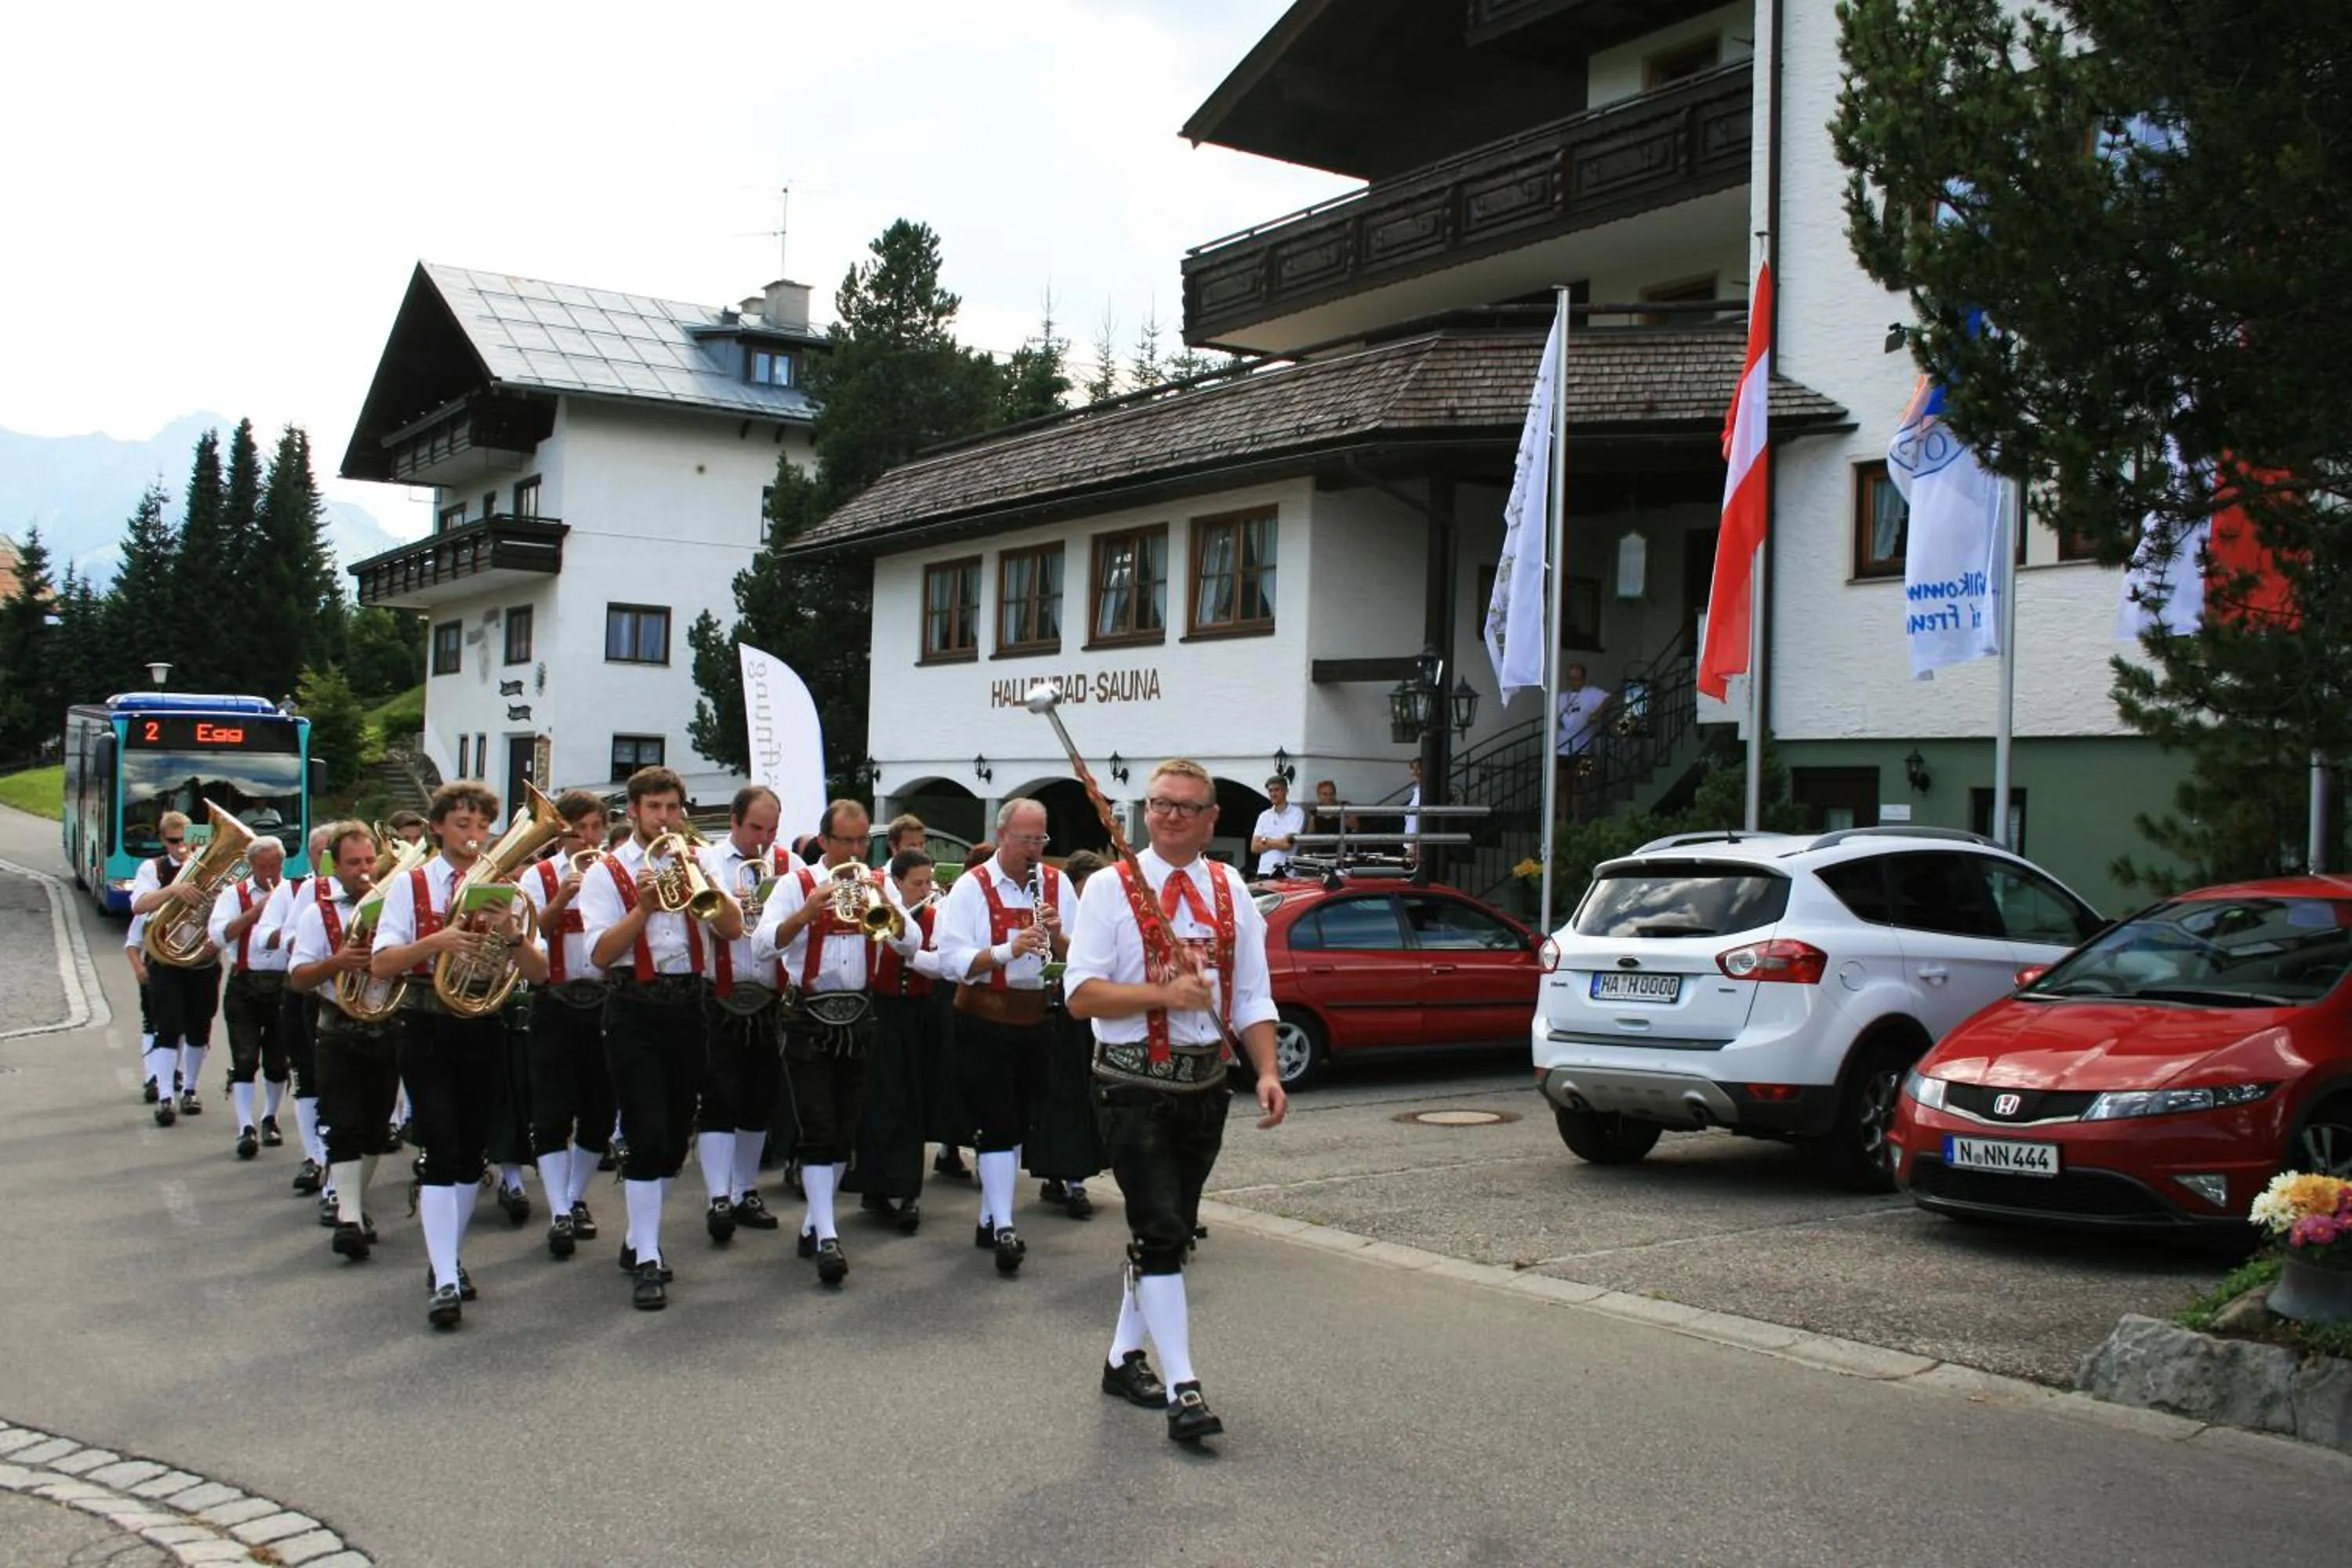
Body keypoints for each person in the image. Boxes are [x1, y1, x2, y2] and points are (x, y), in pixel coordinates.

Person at [1065, 758, 1286, 1445]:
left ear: (1211, 820)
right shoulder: (1108, 888)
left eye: (1187, 807)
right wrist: (1164, 994)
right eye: (1161, 804)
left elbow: (1251, 994)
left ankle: (1121, 1357)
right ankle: (1185, 1386)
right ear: (1145, 812)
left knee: (1172, 1231)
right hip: (1131, 1083)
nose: (1171, 816)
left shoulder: (1231, 891)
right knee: (1161, 1228)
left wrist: (1269, 1071)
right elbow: (1080, 996)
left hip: (1204, 1084)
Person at [368, 781, 551, 1330]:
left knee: (472, 1150)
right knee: (443, 1146)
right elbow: (381, 964)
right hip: (426, 1024)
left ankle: (446, 1257)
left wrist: (514, 938)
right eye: (464, 825)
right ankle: (446, 1275)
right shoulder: (412, 885)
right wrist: (437, 943)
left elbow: (541, 975)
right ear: (439, 828)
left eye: (482, 827)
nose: (475, 837)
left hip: (482, 1024)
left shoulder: (507, 891)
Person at [577, 767, 744, 1311]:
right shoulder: (607, 871)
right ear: (634, 813)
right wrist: (644, 909)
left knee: (675, 1137)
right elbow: (600, 954)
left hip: (689, 1006)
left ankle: (636, 1238)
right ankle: (648, 1254)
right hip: (633, 1006)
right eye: (654, 809)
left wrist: (705, 886)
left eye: (673, 808)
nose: (665, 818)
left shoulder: (698, 862)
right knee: (647, 1131)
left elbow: (733, 930)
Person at [751, 800, 920, 1286]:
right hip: (808, 1015)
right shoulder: (794, 883)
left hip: (860, 1015)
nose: (854, 850)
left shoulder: (878, 881)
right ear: (824, 841)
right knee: (819, 1127)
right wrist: (806, 913)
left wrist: (885, 908)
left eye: (861, 840)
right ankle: (827, 1234)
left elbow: (909, 943)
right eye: (844, 841)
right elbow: (764, 944)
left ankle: (813, 1222)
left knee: (845, 1129)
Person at [936, 800, 1073, 1276]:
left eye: (1041, 840)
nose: (1034, 851)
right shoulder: (973, 887)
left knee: (1019, 1120)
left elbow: (1081, 958)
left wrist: (1057, 937)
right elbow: (953, 959)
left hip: (1035, 1018)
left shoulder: (1057, 885)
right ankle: (1006, 1227)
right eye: (1025, 840)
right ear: (1002, 835)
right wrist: (1007, 949)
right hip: (983, 1020)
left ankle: (989, 1215)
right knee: (996, 1122)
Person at [287, 822, 404, 1265]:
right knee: (343, 1123)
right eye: (354, 863)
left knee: (376, 1128)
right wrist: (337, 962)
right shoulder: (319, 912)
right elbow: (298, 978)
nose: (364, 871)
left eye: (370, 861)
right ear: (336, 866)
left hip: (387, 1026)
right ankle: (349, 1217)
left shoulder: (395, 906)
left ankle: (353, 1203)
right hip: (337, 1029)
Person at [695, 785, 801, 1247]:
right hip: (719, 992)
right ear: (735, 821)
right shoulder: (707, 863)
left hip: (769, 994)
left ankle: (745, 1190)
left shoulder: (790, 867)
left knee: (759, 1097)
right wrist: (734, 906)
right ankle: (718, 1195)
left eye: (772, 829)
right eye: (755, 827)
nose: (763, 838)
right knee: (720, 1094)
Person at [516, 791, 618, 1259]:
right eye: (579, 830)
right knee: (552, 1111)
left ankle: (575, 1196)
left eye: (597, 828)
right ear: (563, 833)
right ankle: (559, 1209)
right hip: (554, 999)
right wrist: (563, 896)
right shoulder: (539, 875)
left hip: (604, 1001)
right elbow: (530, 933)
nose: (590, 838)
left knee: (600, 1110)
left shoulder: (617, 872)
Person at [854, 847, 946, 1234]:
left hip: (918, 1015)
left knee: (911, 1102)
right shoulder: (878, 907)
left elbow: (941, 963)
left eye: (928, 882)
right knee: (877, 1101)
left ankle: (909, 1194)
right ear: (898, 882)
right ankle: (873, 1187)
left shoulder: (937, 915)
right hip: (880, 1011)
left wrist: (913, 955)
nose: (924, 889)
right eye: (916, 883)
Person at [1028, 849, 1109, 1219]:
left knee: (1080, 1094)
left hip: (1085, 1015)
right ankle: (1058, 1176)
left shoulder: (1101, 917)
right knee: (1053, 1094)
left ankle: (1074, 1178)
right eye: (1087, 887)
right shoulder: (1057, 909)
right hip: (1051, 1011)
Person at [129, 810, 223, 1126]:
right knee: (168, 1026)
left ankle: (191, 1089)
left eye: (185, 841)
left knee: (200, 1027)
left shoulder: (209, 869)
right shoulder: (152, 868)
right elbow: (139, 905)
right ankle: (166, 1095)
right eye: (173, 842)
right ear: (162, 841)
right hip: (165, 959)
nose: (180, 848)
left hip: (202, 958)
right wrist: (173, 890)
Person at [259, 825, 338, 1199]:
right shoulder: (303, 890)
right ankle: (314, 1157)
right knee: (307, 1075)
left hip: (344, 996)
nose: (324, 860)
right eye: (318, 852)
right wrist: (309, 940)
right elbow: (274, 934)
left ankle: (338, 1164)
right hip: (304, 993)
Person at [206, 838, 291, 1160]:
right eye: (263, 867)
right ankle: (245, 1126)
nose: (270, 872)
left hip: (283, 983)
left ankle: (270, 1116)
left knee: (277, 1060)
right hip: (245, 983)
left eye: (275, 866)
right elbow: (217, 936)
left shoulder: (294, 893)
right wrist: (255, 912)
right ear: (252, 866)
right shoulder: (234, 895)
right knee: (244, 1058)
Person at [1555, 663, 1612, 822]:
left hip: (1583, 749)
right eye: (1571, 678)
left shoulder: (1591, 693)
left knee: (1577, 784)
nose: (1574, 681)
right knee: (1561, 784)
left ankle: (1577, 818)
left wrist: (1597, 713)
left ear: (1584, 679)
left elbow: (1610, 698)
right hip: (1561, 748)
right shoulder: (1561, 696)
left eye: (1577, 678)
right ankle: (1563, 818)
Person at [1247, 777, 1304, 879]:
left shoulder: (1297, 813)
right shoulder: (1264, 816)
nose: (1273, 794)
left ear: (1286, 791)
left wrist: (1265, 840)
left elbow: (1287, 844)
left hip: (1286, 872)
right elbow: (1254, 847)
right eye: (1270, 791)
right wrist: (1278, 842)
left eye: (1277, 790)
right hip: (1263, 871)